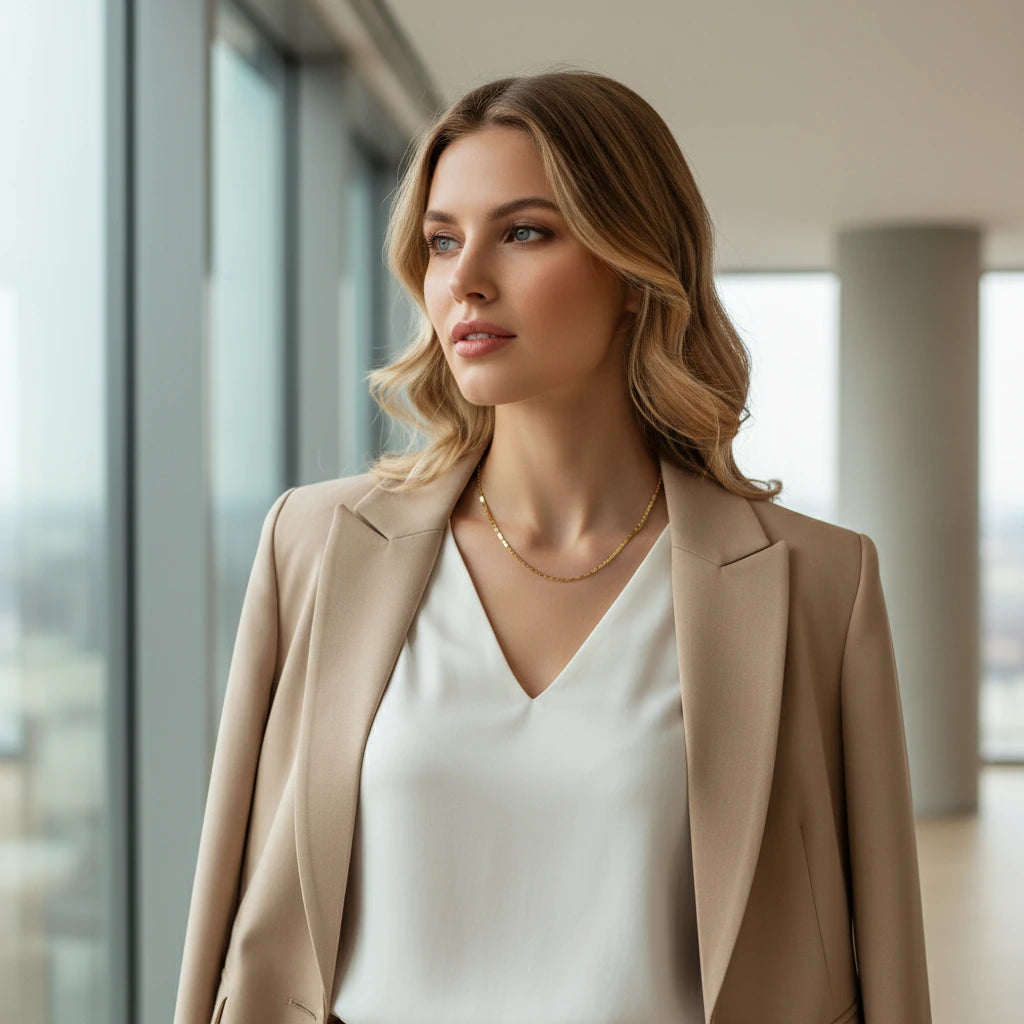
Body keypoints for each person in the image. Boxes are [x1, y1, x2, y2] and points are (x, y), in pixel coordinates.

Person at [173, 70, 931, 1024]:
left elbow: (888, 963)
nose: (466, 278)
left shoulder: (818, 584)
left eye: (524, 231)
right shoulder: (315, 546)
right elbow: (231, 914)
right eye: (443, 240)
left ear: (635, 268)